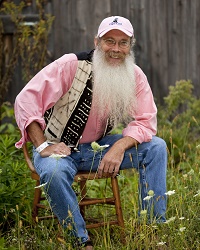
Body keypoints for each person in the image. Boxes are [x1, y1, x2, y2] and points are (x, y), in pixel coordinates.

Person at [14, 16, 167, 249]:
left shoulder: (134, 75)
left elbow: (146, 121)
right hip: (58, 149)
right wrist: (43, 145)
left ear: (130, 45)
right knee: (54, 171)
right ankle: (80, 241)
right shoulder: (71, 65)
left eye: (123, 42)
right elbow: (26, 100)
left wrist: (119, 146)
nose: (116, 49)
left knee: (156, 147)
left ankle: (153, 231)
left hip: (97, 149)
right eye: (109, 41)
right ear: (97, 41)